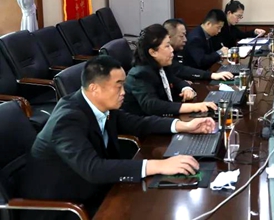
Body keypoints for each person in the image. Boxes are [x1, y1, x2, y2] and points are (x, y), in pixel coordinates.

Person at [19, 55, 216, 220]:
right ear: (95, 88)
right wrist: (158, 165)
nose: (124, 92)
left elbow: (138, 123)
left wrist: (184, 126)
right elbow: (93, 169)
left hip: (95, 189)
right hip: (64, 206)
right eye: (119, 86)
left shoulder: (101, 105)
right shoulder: (67, 119)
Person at [122, 24, 217, 117]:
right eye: (167, 46)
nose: (171, 50)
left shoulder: (160, 65)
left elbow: (176, 80)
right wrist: (193, 107)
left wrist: (186, 88)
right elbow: (153, 105)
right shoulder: (140, 74)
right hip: (145, 124)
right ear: (153, 52)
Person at [163, 18, 233, 82]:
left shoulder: (178, 48)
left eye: (185, 35)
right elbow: (179, 69)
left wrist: (183, 84)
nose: (185, 39)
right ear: (169, 37)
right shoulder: (195, 37)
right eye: (181, 36)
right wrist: (212, 75)